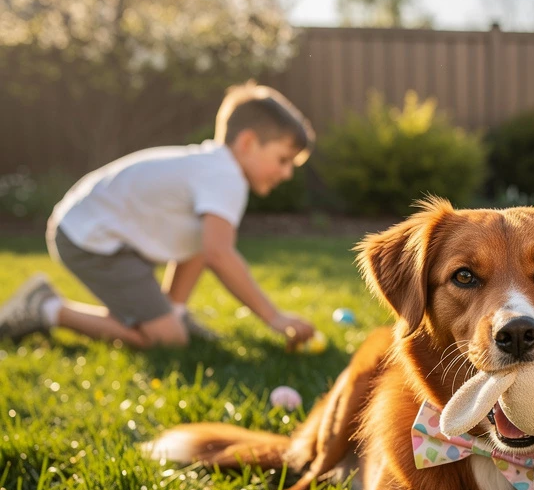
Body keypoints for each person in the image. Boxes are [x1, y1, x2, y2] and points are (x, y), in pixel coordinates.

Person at [0, 83, 318, 349]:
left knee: (202, 240)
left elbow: (204, 247)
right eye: (283, 159)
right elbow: (219, 254)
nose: (287, 173)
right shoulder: (225, 176)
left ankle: (174, 312)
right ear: (248, 142)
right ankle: (46, 308)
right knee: (168, 340)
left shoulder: (213, 167)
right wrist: (274, 317)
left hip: (92, 229)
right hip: (88, 240)